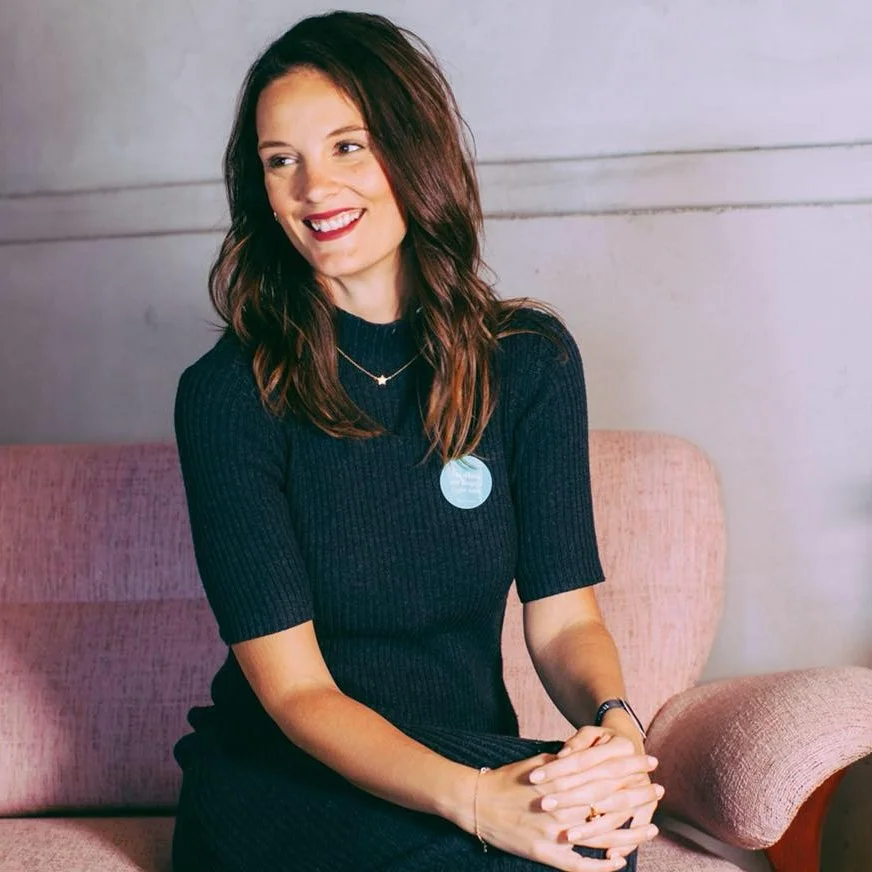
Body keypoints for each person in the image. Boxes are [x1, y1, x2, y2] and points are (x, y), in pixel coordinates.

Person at [171, 11, 662, 872]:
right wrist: (477, 803)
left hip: (463, 748)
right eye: (281, 160)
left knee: (595, 836)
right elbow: (297, 693)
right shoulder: (229, 396)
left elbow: (563, 622)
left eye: (347, 147)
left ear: (413, 149)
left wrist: (614, 732)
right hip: (283, 776)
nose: (314, 187)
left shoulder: (530, 362)